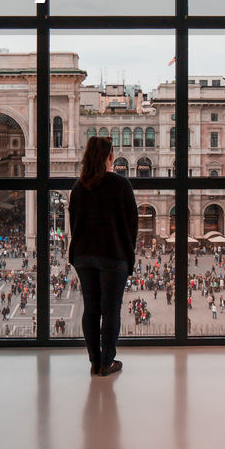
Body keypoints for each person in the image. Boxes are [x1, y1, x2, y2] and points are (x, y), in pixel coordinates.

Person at [68, 135, 138, 377]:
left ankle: (94, 361)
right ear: (110, 157)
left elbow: (73, 224)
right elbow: (132, 225)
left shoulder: (79, 187)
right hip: (113, 255)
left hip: (84, 256)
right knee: (110, 311)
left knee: (91, 309)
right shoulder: (121, 184)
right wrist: (129, 253)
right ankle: (107, 362)